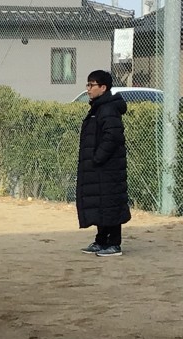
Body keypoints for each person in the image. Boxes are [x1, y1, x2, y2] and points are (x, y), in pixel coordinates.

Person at [77, 70, 131, 257]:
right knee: (101, 204)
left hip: (108, 168)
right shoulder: (98, 108)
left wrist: (97, 158)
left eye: (92, 85)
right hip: (99, 168)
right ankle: (101, 241)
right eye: (87, 84)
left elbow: (112, 136)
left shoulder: (108, 109)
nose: (88, 89)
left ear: (103, 88)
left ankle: (114, 244)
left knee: (110, 204)